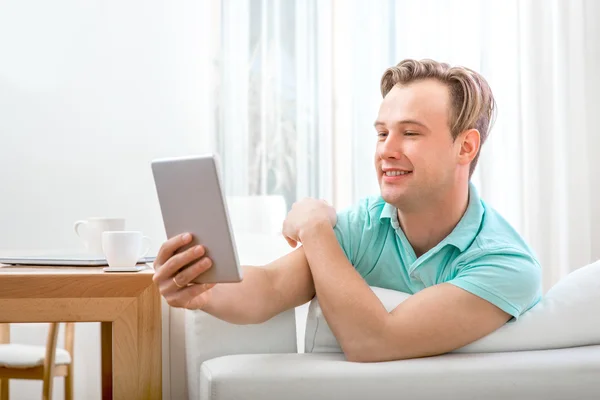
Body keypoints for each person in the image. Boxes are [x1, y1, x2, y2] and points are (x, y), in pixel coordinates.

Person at [152, 59, 542, 363]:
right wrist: (203, 290)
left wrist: (315, 228)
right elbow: (270, 288)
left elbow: (374, 341)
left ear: (466, 147)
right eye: (381, 132)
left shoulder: (506, 264)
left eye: (410, 132)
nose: (386, 149)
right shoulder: (365, 226)